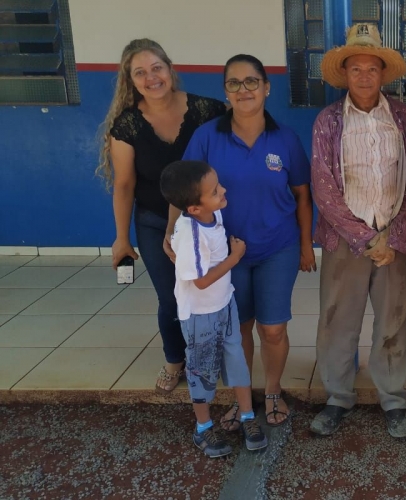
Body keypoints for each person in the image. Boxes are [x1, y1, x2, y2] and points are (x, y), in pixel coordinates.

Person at [178, 54, 314, 429]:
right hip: (226, 253)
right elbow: (185, 191)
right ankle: (242, 397)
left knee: (273, 328)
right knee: (238, 329)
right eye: (234, 83)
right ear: (226, 91)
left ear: (266, 87)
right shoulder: (207, 137)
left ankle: (272, 390)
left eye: (251, 81)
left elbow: (303, 196)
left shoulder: (285, 139)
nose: (244, 90)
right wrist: (177, 237)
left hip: (278, 247)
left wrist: (306, 245)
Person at [96, 39, 226, 394]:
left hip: (207, 221)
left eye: (156, 68)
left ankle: (216, 355)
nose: (151, 77)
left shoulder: (207, 110)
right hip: (154, 223)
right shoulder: (128, 125)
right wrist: (121, 238)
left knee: (214, 291)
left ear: (170, 69)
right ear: (131, 81)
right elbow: (124, 185)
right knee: (171, 297)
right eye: (140, 72)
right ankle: (175, 359)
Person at [309, 23, 406, 438]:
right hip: (346, 242)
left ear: (383, 74)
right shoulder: (329, 120)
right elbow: (323, 185)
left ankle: (393, 399)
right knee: (338, 321)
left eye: (373, 68)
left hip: (393, 242)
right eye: (357, 69)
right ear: (345, 74)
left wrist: (392, 235)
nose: (365, 76)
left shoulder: (402, 116)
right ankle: (337, 396)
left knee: (392, 320)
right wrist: (364, 236)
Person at [159, 160, 267, 457]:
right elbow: (202, 282)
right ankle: (203, 428)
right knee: (202, 370)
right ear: (194, 208)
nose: (223, 190)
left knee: (237, 359)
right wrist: (236, 257)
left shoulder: (213, 212)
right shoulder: (190, 234)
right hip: (199, 315)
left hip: (224, 303)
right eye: (215, 190)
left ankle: (247, 416)